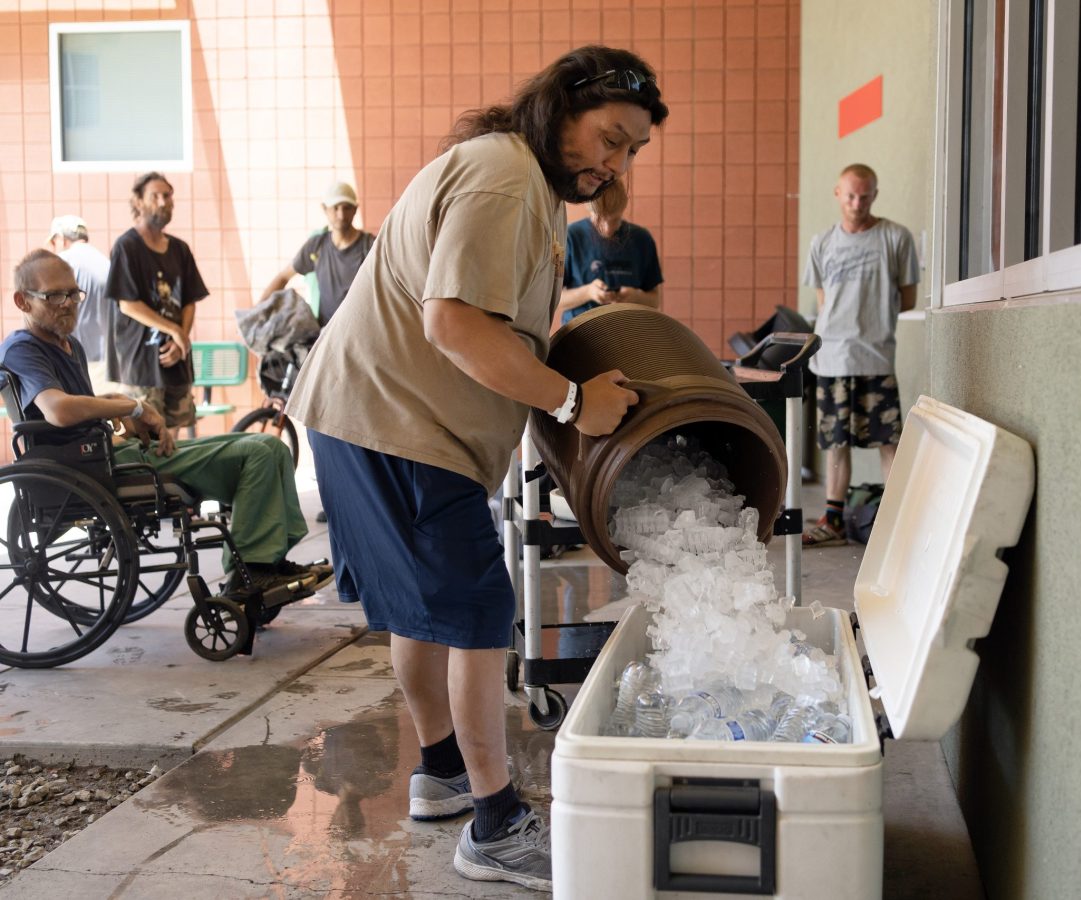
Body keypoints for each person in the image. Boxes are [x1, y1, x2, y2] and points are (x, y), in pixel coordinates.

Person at [285, 45, 668, 891]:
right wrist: (572, 403)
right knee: (477, 613)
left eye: (633, 151)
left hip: (373, 416)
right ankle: (495, 823)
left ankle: (443, 772)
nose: (615, 166)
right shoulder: (504, 178)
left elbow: (498, 324)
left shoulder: (514, 176)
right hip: (401, 424)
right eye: (610, 139)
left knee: (427, 616)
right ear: (559, 108)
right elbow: (454, 323)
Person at [2, 249, 330, 597]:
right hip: (100, 465)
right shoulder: (23, 348)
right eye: (54, 295)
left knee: (272, 447)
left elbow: (80, 405)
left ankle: (269, 562)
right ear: (23, 301)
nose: (68, 303)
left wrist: (123, 411)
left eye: (72, 293)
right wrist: (134, 407)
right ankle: (250, 572)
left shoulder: (68, 346)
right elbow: (58, 411)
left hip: (112, 451)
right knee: (257, 454)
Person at [801, 163, 919, 547]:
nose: (857, 203)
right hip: (832, 357)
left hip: (875, 357)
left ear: (875, 195)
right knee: (836, 442)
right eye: (850, 195)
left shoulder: (895, 237)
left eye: (865, 196)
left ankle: (899, 519)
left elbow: (908, 298)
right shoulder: (822, 243)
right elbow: (823, 302)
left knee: (889, 439)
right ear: (837, 193)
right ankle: (833, 519)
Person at [106, 172, 207, 438]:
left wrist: (180, 337)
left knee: (172, 436)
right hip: (141, 364)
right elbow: (128, 304)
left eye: (168, 195)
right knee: (143, 435)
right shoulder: (127, 247)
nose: (164, 202)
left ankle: (172, 481)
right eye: (156, 196)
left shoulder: (180, 250)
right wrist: (174, 330)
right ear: (138, 202)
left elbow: (189, 301)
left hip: (176, 361)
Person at [259, 181, 376, 327]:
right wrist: (255, 314)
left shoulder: (371, 246)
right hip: (326, 335)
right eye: (335, 208)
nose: (341, 214)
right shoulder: (317, 246)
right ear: (325, 209)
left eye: (347, 208)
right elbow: (283, 277)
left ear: (355, 209)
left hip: (360, 333)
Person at [558, 176, 662, 324]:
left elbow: (654, 300)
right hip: (581, 333)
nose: (607, 229)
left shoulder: (641, 239)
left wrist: (636, 297)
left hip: (630, 332)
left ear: (622, 209)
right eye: (600, 220)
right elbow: (553, 300)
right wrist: (588, 292)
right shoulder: (571, 237)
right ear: (589, 209)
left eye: (614, 220)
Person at [46, 215, 115, 393]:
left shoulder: (61, 263)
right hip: (110, 362)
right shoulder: (106, 264)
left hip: (74, 362)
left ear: (60, 238)